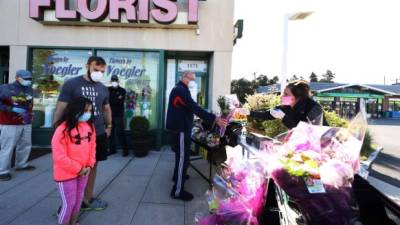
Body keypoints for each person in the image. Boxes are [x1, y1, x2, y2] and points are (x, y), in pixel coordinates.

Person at [53, 56, 111, 211]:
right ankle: (68, 203)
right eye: (96, 69)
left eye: (102, 71)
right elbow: (61, 107)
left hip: (97, 133)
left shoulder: (103, 88)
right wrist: (56, 129)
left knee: (92, 165)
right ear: (87, 66)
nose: (99, 73)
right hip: (74, 135)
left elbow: (106, 108)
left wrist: (109, 126)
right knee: (72, 167)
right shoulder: (72, 84)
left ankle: (87, 199)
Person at [166, 71, 227, 201]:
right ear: (183, 77)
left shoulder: (182, 90)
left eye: (193, 79)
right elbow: (194, 107)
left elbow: (190, 107)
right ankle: (177, 191)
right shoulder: (180, 90)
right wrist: (214, 119)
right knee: (183, 156)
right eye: (191, 79)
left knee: (181, 155)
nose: (192, 82)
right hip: (180, 129)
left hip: (180, 128)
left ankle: (177, 177)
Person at [52, 97, 96, 225]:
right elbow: (59, 156)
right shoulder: (62, 129)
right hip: (66, 174)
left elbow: (92, 146)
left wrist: (89, 165)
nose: (88, 113)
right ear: (75, 110)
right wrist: (78, 168)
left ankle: (73, 222)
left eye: (90, 110)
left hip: (84, 172)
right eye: (85, 110)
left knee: (77, 202)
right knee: (69, 204)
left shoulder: (89, 127)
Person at [0, 70, 35, 181]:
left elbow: (30, 102)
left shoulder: (29, 89)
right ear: (17, 78)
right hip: (9, 122)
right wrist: (11, 108)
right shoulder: (5, 88)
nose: (28, 80)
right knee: (8, 146)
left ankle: (21, 164)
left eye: (30, 78)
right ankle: (2, 171)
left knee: (25, 144)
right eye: (26, 78)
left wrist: (30, 113)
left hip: (26, 121)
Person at [250, 80, 327, 129]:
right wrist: (248, 112)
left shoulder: (313, 107)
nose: (282, 96)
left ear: (297, 97)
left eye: (286, 94)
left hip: (323, 144)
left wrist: (283, 117)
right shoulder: (286, 106)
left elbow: (305, 131)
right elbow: (265, 115)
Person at [108, 75, 129, 157]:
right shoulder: (107, 89)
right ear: (111, 81)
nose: (114, 82)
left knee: (120, 133)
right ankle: (112, 149)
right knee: (110, 133)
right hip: (109, 115)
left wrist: (112, 100)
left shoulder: (122, 90)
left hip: (119, 115)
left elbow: (120, 102)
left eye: (115, 80)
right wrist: (116, 98)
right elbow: (107, 101)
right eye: (113, 80)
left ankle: (125, 150)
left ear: (118, 81)